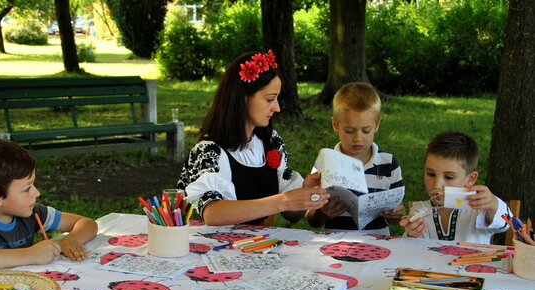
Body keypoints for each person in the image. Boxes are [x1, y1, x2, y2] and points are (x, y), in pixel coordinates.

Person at [177, 50, 328, 226]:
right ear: (242, 98)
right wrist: (283, 200)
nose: (277, 108)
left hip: (256, 246)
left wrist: (304, 192)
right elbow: (213, 214)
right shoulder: (209, 151)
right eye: (270, 99)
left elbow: (292, 215)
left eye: (277, 98)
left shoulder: (271, 141)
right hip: (212, 247)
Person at [0, 139, 98, 273]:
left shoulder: (33, 213)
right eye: (27, 189)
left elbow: (87, 224)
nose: (37, 193)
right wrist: (29, 255)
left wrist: (72, 239)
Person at [305, 82, 405, 234]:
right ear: (335, 125)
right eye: (350, 131)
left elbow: (399, 216)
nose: (358, 138)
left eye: (366, 131)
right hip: (334, 244)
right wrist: (322, 213)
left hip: (378, 244)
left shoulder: (389, 164)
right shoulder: (326, 163)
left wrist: (396, 214)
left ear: (377, 125)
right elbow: (311, 219)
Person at [400, 131, 510, 244]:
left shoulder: (479, 209)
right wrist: (411, 234)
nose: (437, 185)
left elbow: (504, 224)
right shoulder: (420, 210)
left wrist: (493, 205)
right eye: (431, 174)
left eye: (448, 177)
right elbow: (411, 249)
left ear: (470, 179)